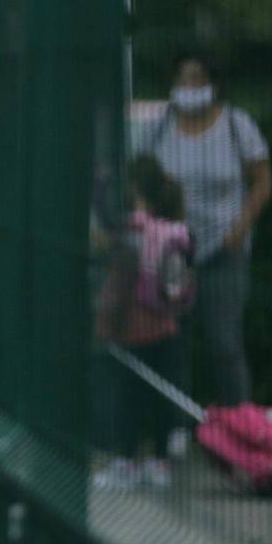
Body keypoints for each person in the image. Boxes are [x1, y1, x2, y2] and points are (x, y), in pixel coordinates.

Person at [133, 57, 271, 406]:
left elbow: (261, 181)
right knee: (172, 341)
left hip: (224, 246)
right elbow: (141, 181)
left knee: (224, 343)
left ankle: (240, 425)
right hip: (172, 250)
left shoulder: (237, 126)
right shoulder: (160, 127)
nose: (188, 87)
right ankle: (176, 429)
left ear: (214, 84)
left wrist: (240, 229)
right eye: (181, 79)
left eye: (196, 79)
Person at [92, 156, 194, 489]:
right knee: (161, 395)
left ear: (136, 190)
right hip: (167, 325)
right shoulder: (177, 230)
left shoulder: (135, 227)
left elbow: (106, 232)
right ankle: (160, 462)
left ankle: (127, 461)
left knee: (129, 397)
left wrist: (100, 187)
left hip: (133, 328)